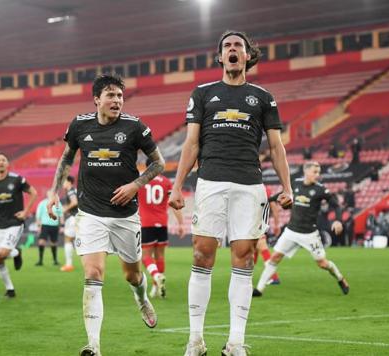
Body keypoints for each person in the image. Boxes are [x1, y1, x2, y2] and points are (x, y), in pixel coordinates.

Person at [168, 30, 293, 356]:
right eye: (227, 47)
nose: (233, 50)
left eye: (238, 45)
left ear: (248, 55)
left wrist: (288, 187)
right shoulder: (203, 93)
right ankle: (195, 340)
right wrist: (177, 185)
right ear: (220, 57)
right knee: (201, 255)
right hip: (210, 181)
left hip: (250, 186)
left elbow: (276, 147)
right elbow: (191, 143)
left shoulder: (264, 97)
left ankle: (236, 342)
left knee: (245, 259)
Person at [46, 74, 165, 356]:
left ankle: (141, 297)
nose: (117, 101)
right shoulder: (79, 125)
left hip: (125, 215)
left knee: (132, 275)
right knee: (93, 272)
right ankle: (94, 345)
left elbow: (158, 163)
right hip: (91, 213)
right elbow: (66, 158)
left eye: (120, 96)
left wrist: (135, 185)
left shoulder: (135, 127)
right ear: (97, 99)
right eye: (111, 95)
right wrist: (53, 192)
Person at [253, 162, 349, 298]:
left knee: (322, 263)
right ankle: (259, 289)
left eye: (318, 172)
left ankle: (340, 278)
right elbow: (282, 194)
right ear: (306, 171)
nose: (317, 175)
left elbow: (336, 205)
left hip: (309, 234)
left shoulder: (320, 189)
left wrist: (338, 220)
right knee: (275, 257)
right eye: (315, 172)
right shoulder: (296, 184)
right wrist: (269, 199)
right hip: (291, 231)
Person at [0, 152, 37, 298]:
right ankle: (10, 289)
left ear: (7, 164)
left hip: (15, 223)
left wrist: (26, 211)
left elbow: (33, 193)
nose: (1, 162)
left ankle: (15, 252)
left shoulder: (17, 179)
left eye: (3, 160)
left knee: (3, 253)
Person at [137, 160, 185, 298]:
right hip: (162, 223)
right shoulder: (166, 182)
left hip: (147, 223)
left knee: (145, 257)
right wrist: (181, 223)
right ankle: (156, 287)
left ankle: (156, 276)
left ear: (146, 167)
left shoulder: (141, 181)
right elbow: (174, 203)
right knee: (160, 256)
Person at [254, 185, 281, 285]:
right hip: (258, 223)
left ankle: (273, 277)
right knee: (253, 249)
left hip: (256, 223)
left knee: (261, 245)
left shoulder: (251, 187)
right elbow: (274, 207)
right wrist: (277, 224)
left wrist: (277, 224)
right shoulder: (265, 188)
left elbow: (273, 207)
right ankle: (246, 274)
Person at [35, 190, 64, 266]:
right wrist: (38, 226)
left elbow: (61, 215)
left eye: (52, 193)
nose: (51, 194)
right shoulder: (42, 203)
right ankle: (40, 261)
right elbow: (38, 216)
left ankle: (55, 260)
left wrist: (62, 226)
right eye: (49, 193)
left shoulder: (58, 203)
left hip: (54, 226)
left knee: (54, 243)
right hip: (44, 225)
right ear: (47, 194)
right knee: (41, 242)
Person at [60, 175, 79, 272]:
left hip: (73, 218)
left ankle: (68, 265)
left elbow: (74, 202)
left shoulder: (71, 191)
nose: (62, 183)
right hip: (78, 217)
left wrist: (65, 209)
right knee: (77, 241)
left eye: (64, 181)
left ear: (69, 182)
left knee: (68, 240)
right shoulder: (74, 190)